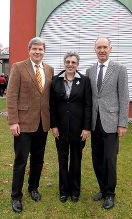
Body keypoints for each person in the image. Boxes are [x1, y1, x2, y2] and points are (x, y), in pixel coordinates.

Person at [6, 37, 54, 212]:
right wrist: (13, 121)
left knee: (38, 160)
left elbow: (48, 97)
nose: (37, 52)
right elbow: (11, 96)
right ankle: (16, 196)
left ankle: (33, 188)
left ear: (44, 51)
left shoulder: (49, 69)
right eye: (34, 49)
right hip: (23, 124)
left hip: (43, 124)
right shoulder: (18, 67)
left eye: (40, 49)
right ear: (29, 50)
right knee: (20, 161)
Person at [86, 37, 129, 210]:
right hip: (95, 123)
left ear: (110, 48)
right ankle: (103, 189)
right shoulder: (89, 71)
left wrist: (122, 123)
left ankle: (110, 193)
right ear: (94, 49)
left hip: (111, 122)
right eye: (99, 47)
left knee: (110, 160)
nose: (102, 50)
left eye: (105, 47)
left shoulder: (120, 69)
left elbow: (124, 97)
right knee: (96, 159)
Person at [50, 51, 92, 203]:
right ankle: (63, 191)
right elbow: (52, 106)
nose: (70, 64)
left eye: (73, 62)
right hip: (60, 129)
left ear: (77, 65)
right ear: (64, 63)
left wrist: (86, 128)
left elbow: (88, 105)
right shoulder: (55, 81)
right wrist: (53, 126)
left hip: (78, 129)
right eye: (67, 62)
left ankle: (75, 191)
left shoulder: (85, 81)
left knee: (76, 160)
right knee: (62, 160)